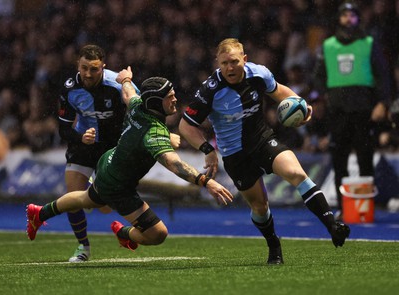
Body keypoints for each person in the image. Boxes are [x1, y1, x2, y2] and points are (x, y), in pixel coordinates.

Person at [179, 38, 350, 265]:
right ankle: (273, 245)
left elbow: (280, 92)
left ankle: (332, 225)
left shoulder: (258, 74)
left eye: (234, 62)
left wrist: (301, 105)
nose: (230, 68)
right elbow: (186, 126)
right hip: (234, 154)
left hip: (262, 140)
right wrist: (208, 150)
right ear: (217, 63)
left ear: (245, 60)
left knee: (298, 175)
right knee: (260, 207)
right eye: (224, 63)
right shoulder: (210, 91)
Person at [26, 69, 234, 254]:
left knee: (86, 198)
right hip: (118, 187)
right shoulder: (154, 133)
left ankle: (40, 213)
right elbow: (174, 164)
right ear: (155, 101)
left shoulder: (138, 107)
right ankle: (124, 233)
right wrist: (206, 181)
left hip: (108, 164)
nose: (175, 100)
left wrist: (125, 78)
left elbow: (129, 94)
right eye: (170, 97)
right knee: (158, 234)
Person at [57, 44, 140, 262]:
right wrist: (80, 137)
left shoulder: (117, 84)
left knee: (105, 207)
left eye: (94, 69)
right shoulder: (69, 88)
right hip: (84, 144)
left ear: (103, 67)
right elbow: (63, 128)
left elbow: (141, 111)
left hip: (113, 147)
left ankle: (125, 229)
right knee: (72, 195)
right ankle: (83, 247)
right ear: (78, 65)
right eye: (84, 68)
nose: (88, 74)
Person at [313, 1, 392, 220]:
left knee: (365, 157)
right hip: (337, 109)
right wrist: (323, 95)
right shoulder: (328, 45)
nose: (348, 19)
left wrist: (382, 103)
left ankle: (365, 207)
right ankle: (342, 207)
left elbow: (382, 74)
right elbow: (318, 76)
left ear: (358, 18)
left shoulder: (368, 43)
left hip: (363, 108)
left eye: (352, 15)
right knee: (339, 158)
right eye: (344, 15)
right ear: (338, 19)